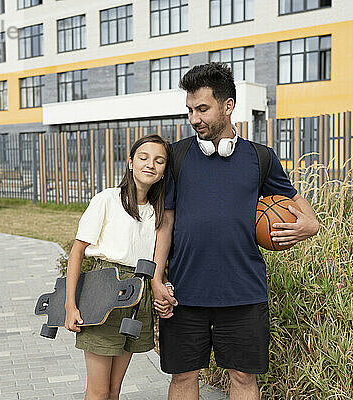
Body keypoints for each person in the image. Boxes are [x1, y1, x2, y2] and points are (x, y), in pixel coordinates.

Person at [151, 63, 320, 400]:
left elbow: (299, 204)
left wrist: (311, 225)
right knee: (183, 377)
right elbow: (165, 221)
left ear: (228, 106)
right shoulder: (178, 155)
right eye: (189, 110)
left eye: (202, 109)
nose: (194, 118)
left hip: (244, 292)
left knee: (243, 377)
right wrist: (157, 279)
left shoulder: (261, 158)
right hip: (184, 291)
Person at [64, 134, 174, 400]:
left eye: (159, 161)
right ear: (130, 162)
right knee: (99, 391)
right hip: (105, 291)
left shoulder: (157, 212)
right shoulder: (107, 199)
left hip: (138, 295)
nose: (151, 164)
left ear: (162, 173)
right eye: (144, 157)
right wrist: (71, 305)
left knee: (114, 390)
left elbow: (158, 260)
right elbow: (77, 250)